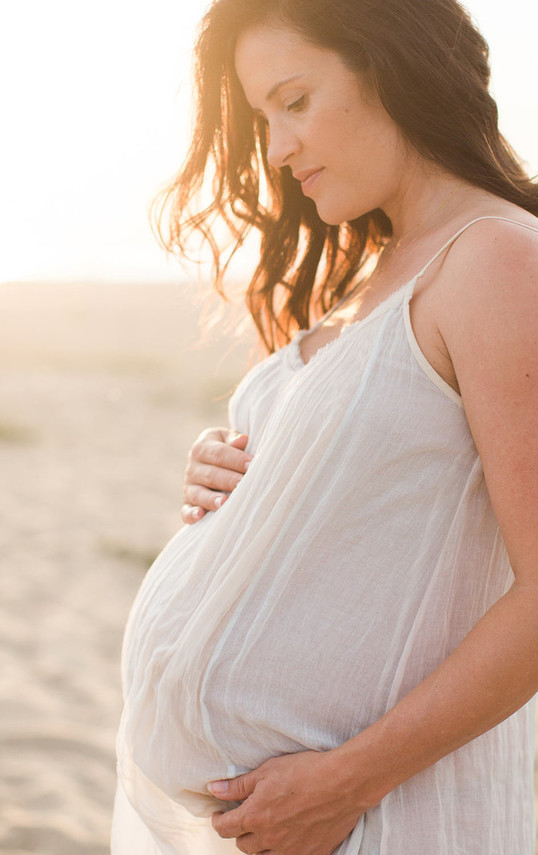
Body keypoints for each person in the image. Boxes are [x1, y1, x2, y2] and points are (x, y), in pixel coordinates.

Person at [112, 0, 538, 852]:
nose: (275, 149)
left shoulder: (496, 258)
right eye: (264, 117)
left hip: (373, 811)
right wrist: (240, 477)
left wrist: (352, 777)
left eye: (295, 101)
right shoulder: (380, 271)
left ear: (393, 68)